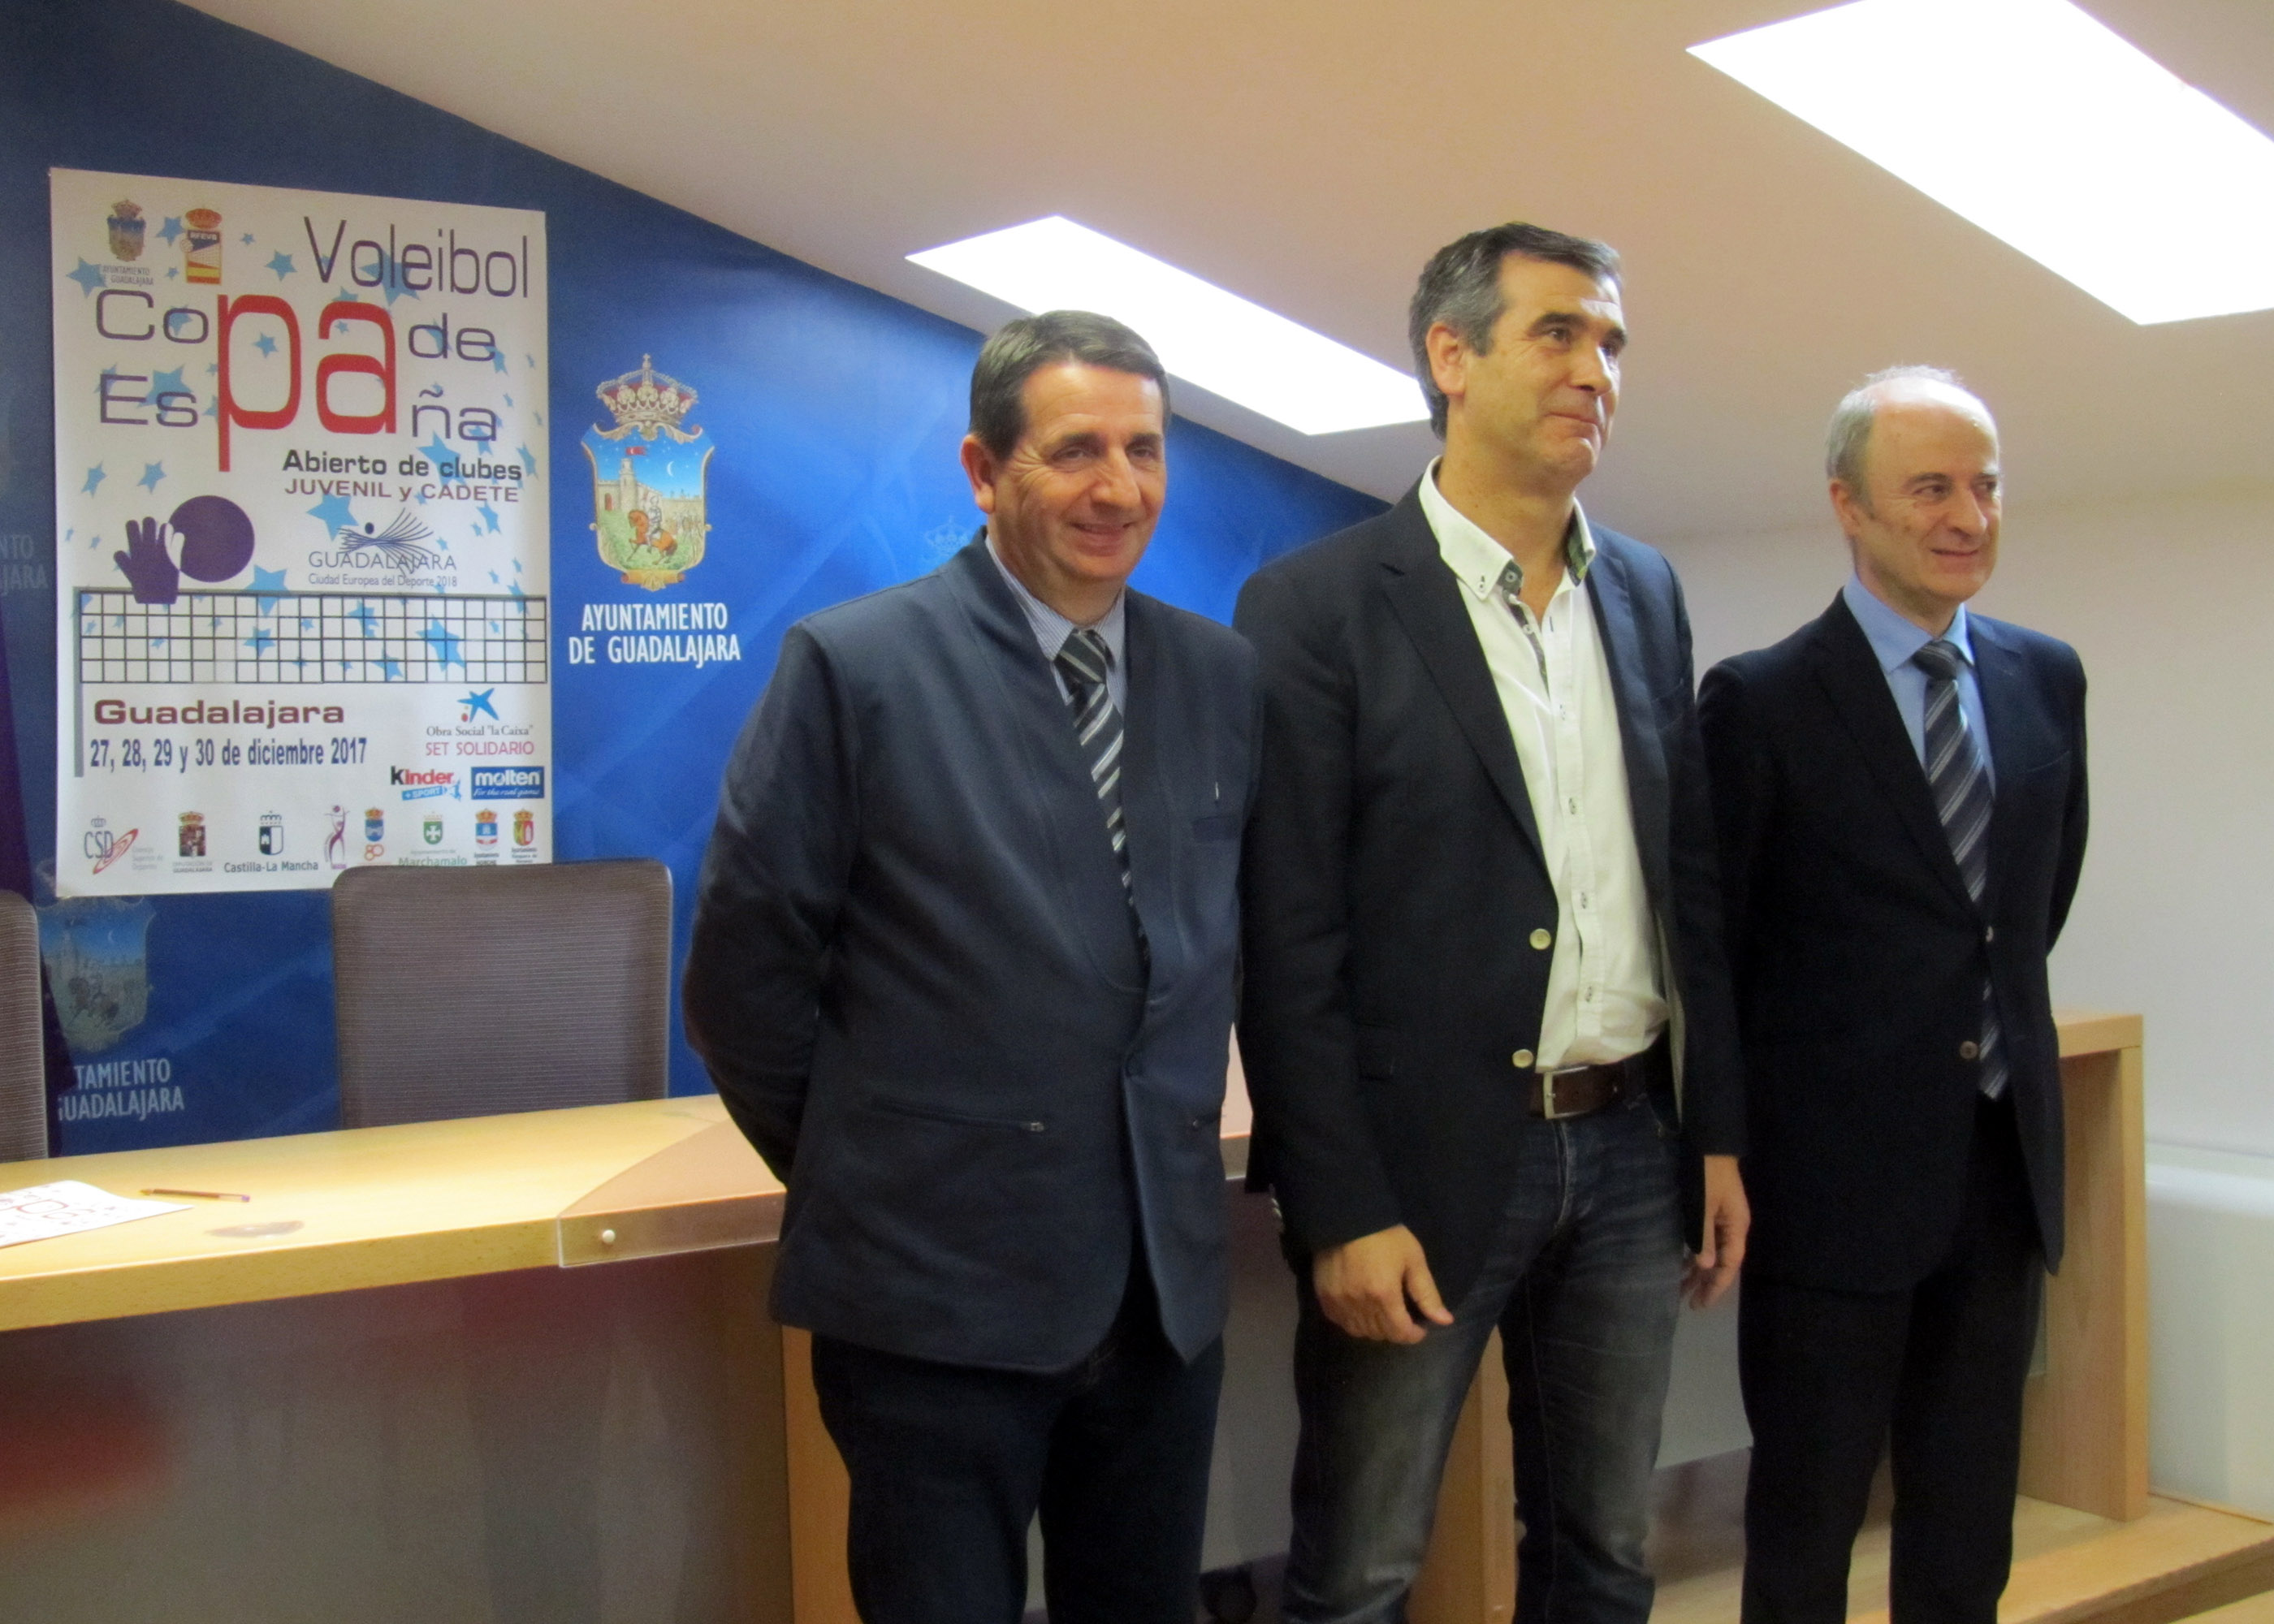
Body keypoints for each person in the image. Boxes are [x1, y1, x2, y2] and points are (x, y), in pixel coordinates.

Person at [682, 310, 1257, 1624]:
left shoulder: (1219, 675)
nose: (1119, 487)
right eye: (1075, 451)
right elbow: (742, 988)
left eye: (1145, 450)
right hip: (931, 1299)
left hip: (1159, 1299)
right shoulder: (857, 666)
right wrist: (874, 1161)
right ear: (984, 471)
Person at [1234, 222, 1749, 1624]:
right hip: (1423, 1164)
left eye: (1613, 343)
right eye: (1560, 333)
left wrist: (1715, 1129)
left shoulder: (1643, 589)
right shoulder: (1317, 605)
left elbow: (1686, 882)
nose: (1598, 371)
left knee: (1605, 1553)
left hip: (1631, 1146)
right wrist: (1340, 1207)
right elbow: (1286, 943)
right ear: (1451, 358)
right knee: (1362, 1570)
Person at [1697, 367, 2089, 1624]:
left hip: (1998, 1167)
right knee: (1807, 1524)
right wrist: (1719, 1146)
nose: (1967, 516)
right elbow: (1716, 952)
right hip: (1828, 1189)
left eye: (1986, 486)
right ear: (1849, 507)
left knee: (1968, 1523)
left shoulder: (2047, 678)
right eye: (1929, 489)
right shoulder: (1761, 700)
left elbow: (2025, 912)